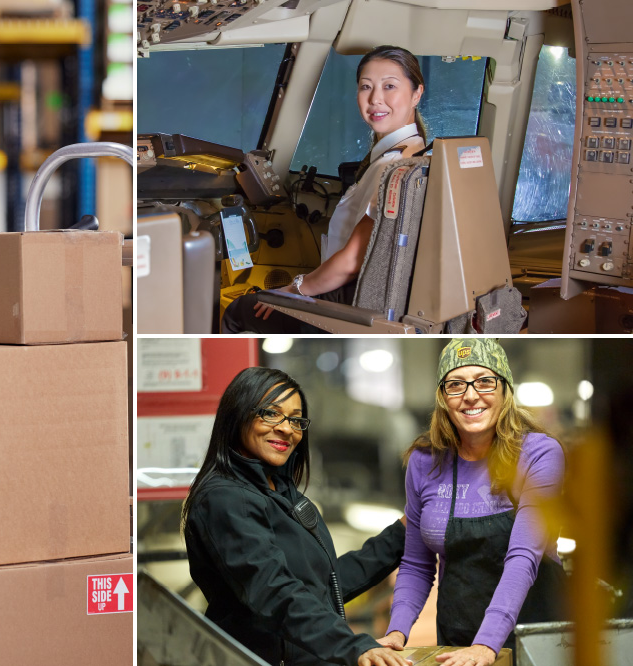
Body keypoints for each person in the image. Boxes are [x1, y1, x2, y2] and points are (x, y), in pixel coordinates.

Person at [182, 366, 412, 666]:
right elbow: (272, 592)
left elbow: (324, 584)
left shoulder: (282, 492)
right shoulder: (225, 498)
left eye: (295, 419)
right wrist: (352, 646)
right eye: (271, 413)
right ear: (237, 414)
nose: (287, 429)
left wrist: (403, 532)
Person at [378, 338, 566, 666]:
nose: (470, 394)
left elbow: (524, 555)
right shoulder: (425, 462)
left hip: (535, 637)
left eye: (484, 381)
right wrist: (396, 634)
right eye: (455, 384)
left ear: (505, 390)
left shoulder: (538, 454)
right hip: (456, 641)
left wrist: (486, 645)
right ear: (442, 397)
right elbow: (416, 564)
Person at [222, 45, 428, 333]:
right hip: (364, 294)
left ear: (417, 93)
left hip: (351, 300)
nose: (375, 99)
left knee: (238, 311)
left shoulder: (394, 165)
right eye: (365, 87)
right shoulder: (413, 153)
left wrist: (295, 291)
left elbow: (352, 261)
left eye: (389, 86)